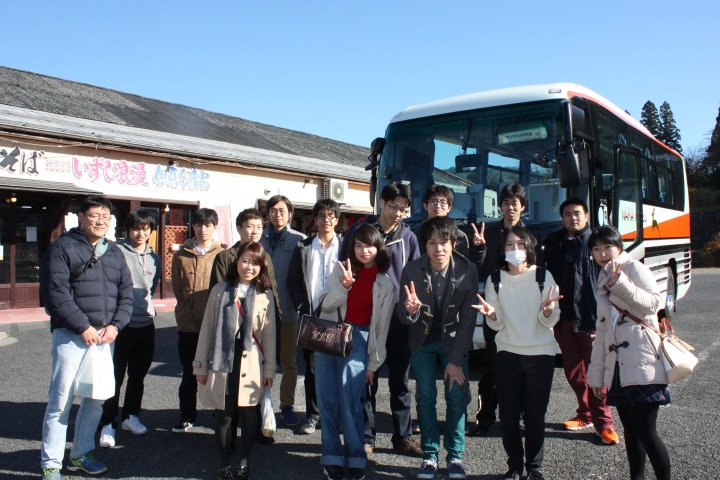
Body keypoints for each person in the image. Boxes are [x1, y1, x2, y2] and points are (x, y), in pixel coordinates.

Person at [39, 195, 133, 480]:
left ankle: (80, 454)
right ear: (81, 217)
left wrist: (116, 326)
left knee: (95, 399)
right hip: (72, 335)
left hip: (105, 338)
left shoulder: (114, 252)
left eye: (105, 216)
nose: (100, 221)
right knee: (61, 402)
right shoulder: (62, 247)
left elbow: (126, 294)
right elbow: (57, 293)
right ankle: (51, 463)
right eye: (94, 215)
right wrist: (82, 326)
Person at [339, 182, 422, 457]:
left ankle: (403, 437)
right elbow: (344, 266)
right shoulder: (360, 230)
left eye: (403, 209)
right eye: (393, 206)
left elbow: (415, 274)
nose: (398, 212)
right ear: (382, 203)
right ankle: (367, 436)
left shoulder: (408, 237)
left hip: (397, 318)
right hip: (366, 317)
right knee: (367, 379)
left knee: (400, 381)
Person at [473, 225, 561, 480]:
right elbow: (497, 324)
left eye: (521, 244)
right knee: (508, 418)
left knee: (535, 417)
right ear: (502, 249)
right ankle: (514, 466)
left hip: (541, 356)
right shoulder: (495, 280)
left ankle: (534, 468)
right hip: (508, 355)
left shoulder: (543, 276)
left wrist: (548, 312)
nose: (515, 249)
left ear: (530, 248)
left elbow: (550, 320)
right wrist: (491, 315)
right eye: (510, 245)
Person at [587, 226, 671, 480]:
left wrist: (620, 283)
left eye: (607, 247)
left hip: (643, 361)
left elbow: (653, 304)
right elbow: (603, 332)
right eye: (596, 249)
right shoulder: (603, 276)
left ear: (619, 247)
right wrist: (596, 377)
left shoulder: (634, 268)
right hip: (619, 366)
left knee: (647, 431)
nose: (602, 254)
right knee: (631, 432)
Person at [399, 216, 478, 479]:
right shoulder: (411, 269)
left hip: (454, 343)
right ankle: (429, 455)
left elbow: (468, 319)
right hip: (421, 342)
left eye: (444, 242)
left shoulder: (467, 269)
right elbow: (402, 313)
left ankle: (455, 456)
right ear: (425, 245)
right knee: (425, 397)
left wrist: (455, 360)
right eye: (432, 242)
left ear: (453, 243)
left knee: (456, 397)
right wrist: (410, 311)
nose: (438, 248)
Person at [314, 223, 395, 480]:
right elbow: (323, 306)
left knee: (351, 403)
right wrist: (344, 286)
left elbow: (381, 329)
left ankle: (356, 457)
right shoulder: (341, 271)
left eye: (369, 245)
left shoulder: (385, 283)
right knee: (327, 402)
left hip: (359, 339)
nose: (364, 251)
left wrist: (373, 364)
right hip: (329, 336)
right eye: (358, 245)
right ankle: (331, 457)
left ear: (378, 247)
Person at [193, 242, 277, 480]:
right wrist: (200, 365)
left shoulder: (265, 294)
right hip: (222, 359)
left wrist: (269, 370)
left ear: (262, 267)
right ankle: (224, 463)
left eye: (255, 263)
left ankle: (243, 461)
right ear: (237, 262)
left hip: (251, 360)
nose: (249, 267)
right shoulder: (220, 290)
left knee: (249, 414)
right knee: (224, 416)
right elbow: (207, 329)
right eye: (245, 261)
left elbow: (269, 336)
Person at [543, 199, 619, 444]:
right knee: (574, 372)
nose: (572, 218)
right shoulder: (554, 241)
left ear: (586, 215)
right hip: (564, 318)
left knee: (597, 372)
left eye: (577, 213)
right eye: (567, 214)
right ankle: (585, 414)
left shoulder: (597, 242)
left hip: (592, 318)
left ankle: (604, 423)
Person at [99, 210, 161, 448]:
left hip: (146, 324)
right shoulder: (114, 251)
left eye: (146, 229)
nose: (141, 233)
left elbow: (150, 289)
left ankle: (130, 416)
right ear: (127, 230)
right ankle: (108, 422)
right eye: (136, 228)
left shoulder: (154, 258)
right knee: (114, 377)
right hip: (120, 326)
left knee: (138, 375)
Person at [469, 183, 527, 437]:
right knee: (493, 364)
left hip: (521, 308)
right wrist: (480, 248)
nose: (510, 207)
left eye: (515, 203)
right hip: (494, 305)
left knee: (519, 364)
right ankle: (485, 417)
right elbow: (479, 267)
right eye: (505, 203)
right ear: (500, 206)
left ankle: (514, 417)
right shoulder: (489, 232)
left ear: (522, 207)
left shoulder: (530, 235)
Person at [286, 199, 342, 435]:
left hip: (339, 316)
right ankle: (313, 415)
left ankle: (337, 414)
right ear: (315, 219)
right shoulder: (304, 246)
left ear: (337, 220)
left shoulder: (346, 246)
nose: (326, 220)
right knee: (312, 370)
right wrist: (303, 307)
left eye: (330, 215)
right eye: (321, 215)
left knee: (340, 368)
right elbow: (293, 281)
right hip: (312, 317)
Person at [171, 207, 223, 432]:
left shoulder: (222, 254)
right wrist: (185, 306)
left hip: (214, 323)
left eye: (208, 225)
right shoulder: (181, 254)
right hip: (188, 323)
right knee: (189, 371)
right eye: (199, 225)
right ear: (193, 227)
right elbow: (177, 287)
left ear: (215, 227)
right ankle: (187, 413)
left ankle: (219, 413)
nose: (203, 229)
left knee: (217, 372)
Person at [259, 195, 307, 427]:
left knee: (289, 362)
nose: (277, 215)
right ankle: (258, 402)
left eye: (282, 210)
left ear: (290, 213)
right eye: (273, 210)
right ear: (267, 213)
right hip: (261, 312)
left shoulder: (300, 240)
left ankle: (286, 405)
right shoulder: (258, 239)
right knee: (259, 360)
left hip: (289, 311)